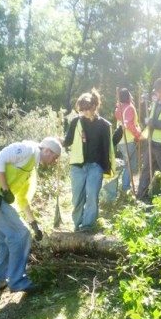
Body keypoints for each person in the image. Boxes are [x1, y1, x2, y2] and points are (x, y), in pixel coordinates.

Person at [0, 137, 62, 293]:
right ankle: (17, 281)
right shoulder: (27, 149)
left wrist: (34, 224)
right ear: (47, 150)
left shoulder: (30, 168)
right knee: (20, 234)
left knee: (5, 239)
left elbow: (22, 198)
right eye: (54, 158)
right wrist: (5, 189)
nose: (53, 162)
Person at [63, 89, 115, 232]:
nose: (84, 112)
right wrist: (59, 141)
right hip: (77, 166)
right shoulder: (76, 122)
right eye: (82, 110)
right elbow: (68, 141)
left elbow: (107, 147)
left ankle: (87, 225)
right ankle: (77, 224)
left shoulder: (104, 125)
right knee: (77, 198)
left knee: (91, 194)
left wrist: (106, 167)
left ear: (94, 106)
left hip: (95, 166)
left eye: (87, 109)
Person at [115, 88, 141, 195]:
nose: (132, 97)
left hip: (121, 141)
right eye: (130, 95)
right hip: (129, 140)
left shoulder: (118, 109)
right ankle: (125, 188)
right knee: (131, 165)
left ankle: (125, 186)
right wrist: (138, 135)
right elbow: (129, 124)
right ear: (127, 96)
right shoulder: (130, 108)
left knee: (128, 163)